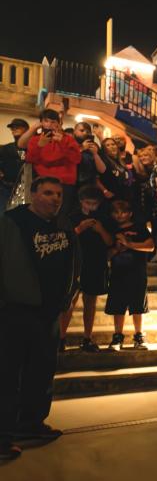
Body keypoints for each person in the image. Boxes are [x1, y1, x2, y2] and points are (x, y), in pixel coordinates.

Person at [0, 177, 80, 460]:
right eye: (48, 192)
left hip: (49, 313)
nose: (55, 198)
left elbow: (73, 263)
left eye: (58, 194)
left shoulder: (64, 225)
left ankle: (31, 424)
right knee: (7, 377)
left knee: (41, 373)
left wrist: (68, 297)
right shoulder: (12, 222)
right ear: (33, 194)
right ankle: (2, 437)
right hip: (15, 312)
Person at [60, 185, 113, 352]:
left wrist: (100, 229)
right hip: (75, 263)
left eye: (94, 203)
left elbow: (109, 242)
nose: (91, 206)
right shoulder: (72, 217)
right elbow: (64, 240)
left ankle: (87, 338)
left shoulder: (103, 218)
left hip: (96, 263)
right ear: (81, 201)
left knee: (90, 302)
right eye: (88, 203)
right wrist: (80, 228)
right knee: (69, 302)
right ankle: (60, 338)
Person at [105, 199, 154, 350]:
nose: (120, 215)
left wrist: (129, 244)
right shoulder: (110, 230)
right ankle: (117, 337)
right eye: (116, 212)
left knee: (138, 306)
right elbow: (106, 255)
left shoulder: (139, 227)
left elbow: (150, 246)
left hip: (137, 272)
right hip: (117, 273)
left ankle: (139, 336)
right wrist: (117, 249)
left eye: (123, 212)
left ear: (130, 213)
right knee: (117, 306)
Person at [25, 109, 82, 211]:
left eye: (53, 122)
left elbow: (77, 159)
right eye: (46, 121)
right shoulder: (35, 140)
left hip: (65, 183)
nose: (49, 124)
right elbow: (29, 160)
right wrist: (39, 146)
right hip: (43, 182)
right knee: (42, 212)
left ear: (58, 123)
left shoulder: (68, 139)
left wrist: (62, 142)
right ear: (41, 122)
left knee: (61, 214)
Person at [1, 118, 28, 210]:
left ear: (27, 130)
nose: (14, 129)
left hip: (26, 189)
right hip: (6, 187)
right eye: (12, 127)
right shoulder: (6, 148)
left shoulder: (33, 148)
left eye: (18, 127)